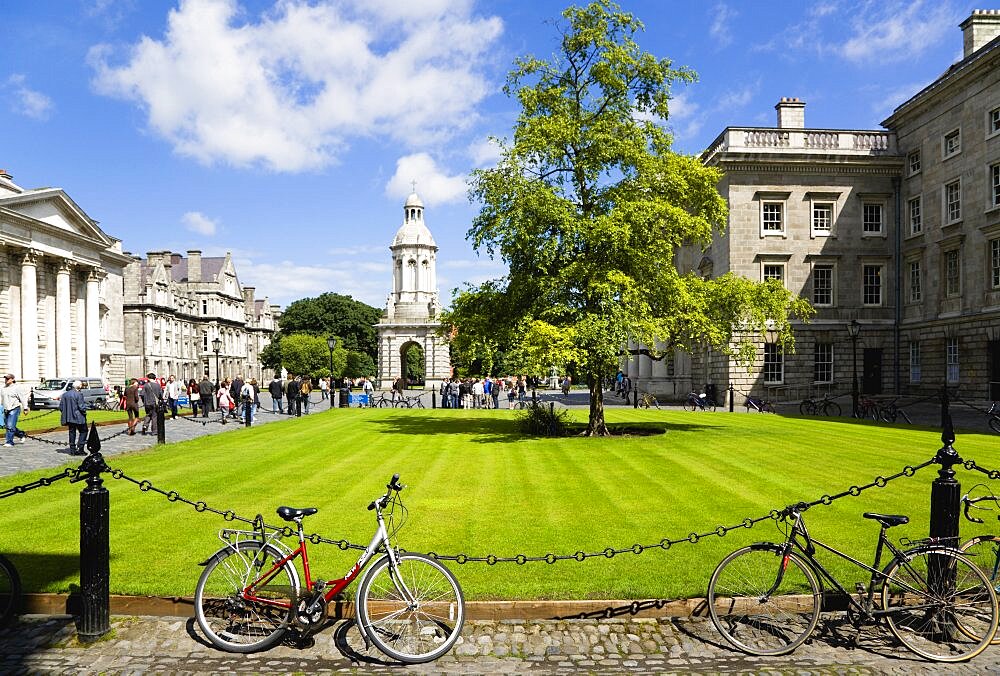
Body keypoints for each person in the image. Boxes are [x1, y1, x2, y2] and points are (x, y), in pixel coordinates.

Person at [59, 379, 88, 456]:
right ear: (79, 386)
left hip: (69, 417)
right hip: (78, 417)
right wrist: (85, 412)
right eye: (81, 385)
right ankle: (80, 448)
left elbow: (61, 407)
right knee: (84, 431)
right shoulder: (79, 394)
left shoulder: (65, 394)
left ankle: (72, 450)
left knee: (72, 433)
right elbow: (81, 407)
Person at [1, 374, 27, 447]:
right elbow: (1, 399)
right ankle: (21, 434)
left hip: (14, 408)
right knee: (8, 425)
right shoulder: (3, 388)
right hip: (5, 409)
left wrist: (25, 408)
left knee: (10, 425)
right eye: (5, 379)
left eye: (8, 379)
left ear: (12, 379)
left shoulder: (17, 388)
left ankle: (9, 442)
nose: (6, 380)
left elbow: (23, 398)